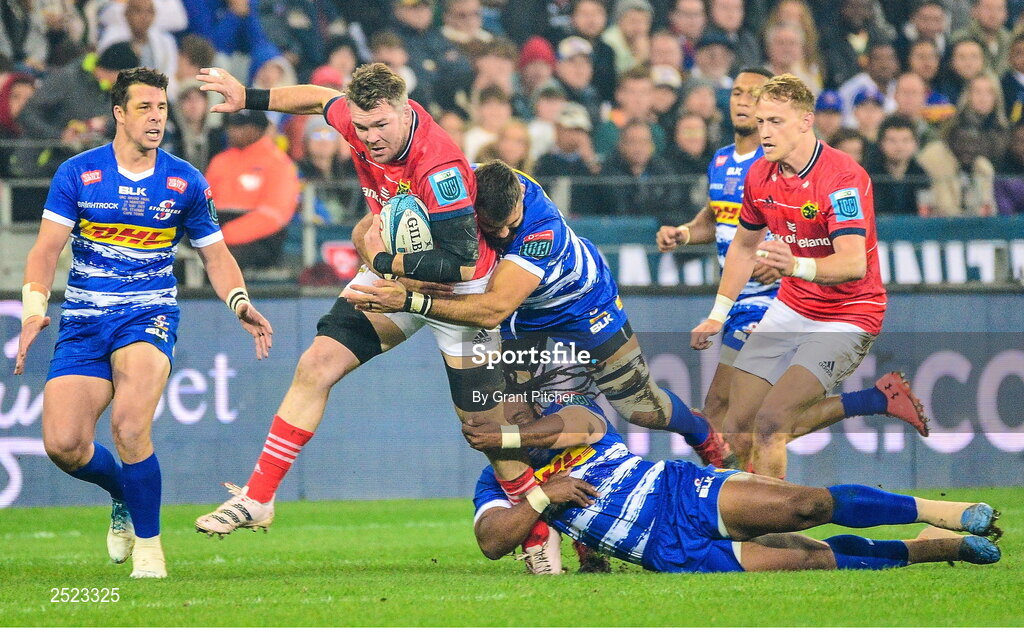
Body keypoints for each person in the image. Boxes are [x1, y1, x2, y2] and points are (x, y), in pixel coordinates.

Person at [193, 62, 533, 537]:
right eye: (362, 126)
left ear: (403, 111)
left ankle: (540, 531)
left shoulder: (440, 167)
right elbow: (316, 98)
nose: (371, 137)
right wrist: (248, 95)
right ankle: (259, 497)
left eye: (381, 126)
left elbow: (459, 261)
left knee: (484, 431)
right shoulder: (355, 121)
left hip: (458, 295)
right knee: (316, 365)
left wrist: (384, 260)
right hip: (393, 271)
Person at [13, 67, 273, 579]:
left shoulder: (183, 181)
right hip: (85, 321)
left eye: (161, 108)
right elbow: (45, 250)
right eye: (145, 109)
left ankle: (151, 552)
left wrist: (240, 302)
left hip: (148, 314)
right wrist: (33, 309)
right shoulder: (78, 174)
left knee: (130, 426)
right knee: (63, 445)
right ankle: (121, 495)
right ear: (119, 114)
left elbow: (216, 256)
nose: (157, 118)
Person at [348, 159, 734, 466]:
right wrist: (384, 261)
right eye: (491, 228)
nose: (501, 235)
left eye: (509, 225)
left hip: (582, 304)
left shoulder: (540, 230)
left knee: (640, 407)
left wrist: (408, 298)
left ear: (519, 202)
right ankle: (569, 515)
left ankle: (699, 431)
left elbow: (492, 310)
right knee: (519, 420)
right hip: (523, 315)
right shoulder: (454, 185)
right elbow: (368, 225)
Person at [468, 376, 1002, 575]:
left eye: (523, 414)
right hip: (667, 554)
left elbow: (573, 426)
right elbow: (492, 542)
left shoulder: (570, 417)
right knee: (811, 559)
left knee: (806, 505)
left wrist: (508, 438)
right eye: (511, 420)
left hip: (683, 495)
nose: (525, 423)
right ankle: (935, 549)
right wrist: (542, 497)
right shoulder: (499, 487)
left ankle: (948, 513)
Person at [689, 74, 928, 478]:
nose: (764, 132)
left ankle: (774, 535)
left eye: (776, 122)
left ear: (805, 121)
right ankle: (748, 524)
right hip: (791, 306)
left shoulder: (842, 178)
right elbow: (744, 247)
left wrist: (794, 266)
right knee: (735, 430)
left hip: (848, 314)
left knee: (770, 425)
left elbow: (854, 264)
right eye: (762, 121)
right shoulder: (760, 176)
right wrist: (719, 312)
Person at [204, 109, 300, 268]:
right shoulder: (220, 161)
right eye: (230, 126)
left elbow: (274, 215)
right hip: (217, 233)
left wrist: (222, 237)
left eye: (240, 126)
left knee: (222, 263)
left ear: (257, 129)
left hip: (260, 241)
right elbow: (204, 204)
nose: (232, 131)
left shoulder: (278, 163)